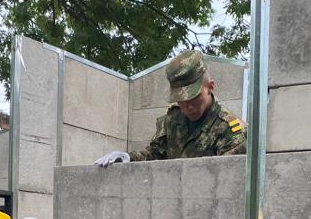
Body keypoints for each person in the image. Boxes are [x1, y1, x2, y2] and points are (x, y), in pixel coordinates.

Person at [94, 50, 246, 166]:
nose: (188, 106)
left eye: (193, 97)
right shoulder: (174, 117)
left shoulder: (232, 131)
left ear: (210, 87)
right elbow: (155, 154)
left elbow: (227, 180)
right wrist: (128, 158)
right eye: (181, 99)